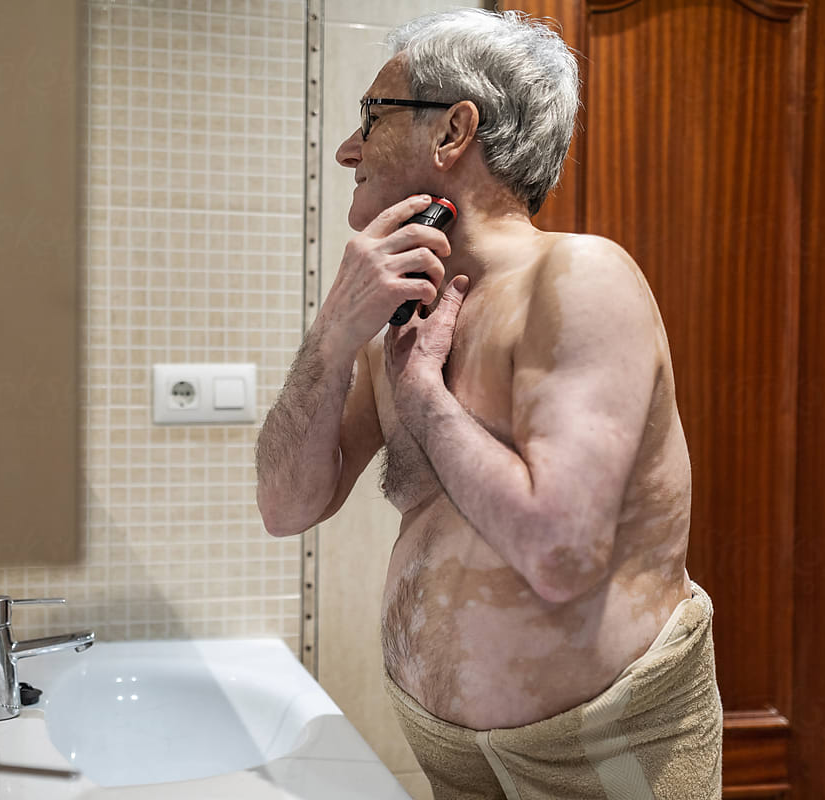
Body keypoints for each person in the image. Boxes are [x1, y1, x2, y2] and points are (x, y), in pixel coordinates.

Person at [255, 9, 722, 800]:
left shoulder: (581, 278)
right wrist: (332, 333)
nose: (346, 150)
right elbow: (286, 506)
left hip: (597, 754)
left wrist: (425, 403)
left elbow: (557, 554)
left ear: (454, 131)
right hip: (453, 753)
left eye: (372, 116)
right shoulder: (397, 322)